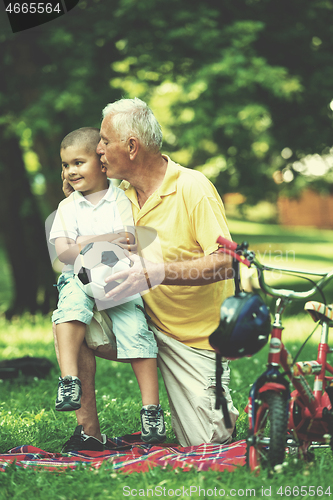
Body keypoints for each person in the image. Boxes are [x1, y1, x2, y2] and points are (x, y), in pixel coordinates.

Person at [58, 99, 239, 452]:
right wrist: (74, 196)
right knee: (70, 310)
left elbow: (227, 261)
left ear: (130, 146)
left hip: (194, 338)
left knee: (207, 442)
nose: (98, 149)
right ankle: (88, 431)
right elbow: (76, 240)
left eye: (105, 141)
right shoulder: (116, 194)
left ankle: (214, 403)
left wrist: (157, 274)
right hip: (137, 315)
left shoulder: (193, 187)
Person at [49, 126, 166, 445]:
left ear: (101, 163)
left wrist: (86, 241)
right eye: (65, 165)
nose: (71, 171)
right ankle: (69, 380)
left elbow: (130, 241)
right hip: (78, 277)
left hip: (118, 278)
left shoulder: (121, 198)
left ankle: (151, 412)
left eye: (78, 162)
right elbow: (65, 254)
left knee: (136, 331)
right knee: (69, 308)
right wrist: (101, 240)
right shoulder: (67, 208)